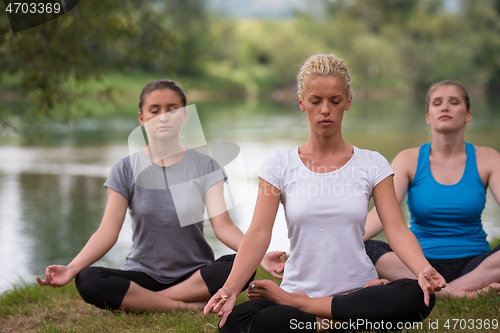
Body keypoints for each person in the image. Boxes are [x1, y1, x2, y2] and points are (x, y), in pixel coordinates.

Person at [204, 54, 446, 333]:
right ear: (301, 102)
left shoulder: (372, 163)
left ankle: (313, 314)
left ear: (348, 102)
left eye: (335, 101)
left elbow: (396, 229)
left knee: (417, 295)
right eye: (316, 101)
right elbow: (258, 232)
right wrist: (231, 288)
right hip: (300, 291)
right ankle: (337, 322)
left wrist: (422, 269)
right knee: (235, 322)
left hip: (357, 292)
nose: (325, 110)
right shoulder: (278, 165)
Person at [36, 79, 286, 312]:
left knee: (241, 264)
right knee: (88, 279)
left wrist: (259, 255)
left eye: (172, 109)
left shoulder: (206, 166)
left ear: (185, 116)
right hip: (143, 275)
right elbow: (107, 232)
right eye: (154, 110)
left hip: (194, 275)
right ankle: (185, 306)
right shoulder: (124, 169)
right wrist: (72, 267)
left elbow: (223, 226)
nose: (163, 116)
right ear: (142, 118)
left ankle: (148, 301)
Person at [363, 80, 500, 299]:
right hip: (418, 264)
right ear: (428, 116)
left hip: (476, 264)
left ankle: (437, 290)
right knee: (365, 249)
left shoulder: (489, 159)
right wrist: (342, 240)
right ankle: (460, 293)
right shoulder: (408, 160)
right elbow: (380, 217)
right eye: (437, 103)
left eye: (454, 102)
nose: (445, 107)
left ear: (468, 115)